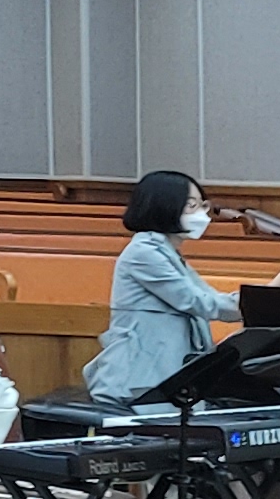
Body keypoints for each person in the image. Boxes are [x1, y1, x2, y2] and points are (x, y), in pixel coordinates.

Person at [85, 172, 242, 403]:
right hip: (139, 380)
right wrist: (265, 298)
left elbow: (210, 298)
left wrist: (267, 296)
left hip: (166, 375)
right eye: (192, 205)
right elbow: (199, 303)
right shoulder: (143, 253)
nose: (202, 214)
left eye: (203, 205)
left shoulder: (167, 253)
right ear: (165, 206)